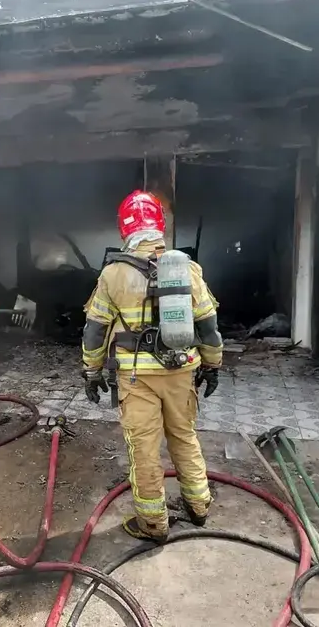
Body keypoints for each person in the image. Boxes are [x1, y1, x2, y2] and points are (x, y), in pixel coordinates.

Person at [80, 190, 223, 542]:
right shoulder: (187, 268)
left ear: (124, 228)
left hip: (136, 377)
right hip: (181, 369)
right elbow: (208, 323)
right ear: (159, 224)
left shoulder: (113, 274)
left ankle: (153, 524)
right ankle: (199, 506)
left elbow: (95, 330)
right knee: (184, 436)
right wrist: (212, 364)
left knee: (143, 448)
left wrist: (92, 370)